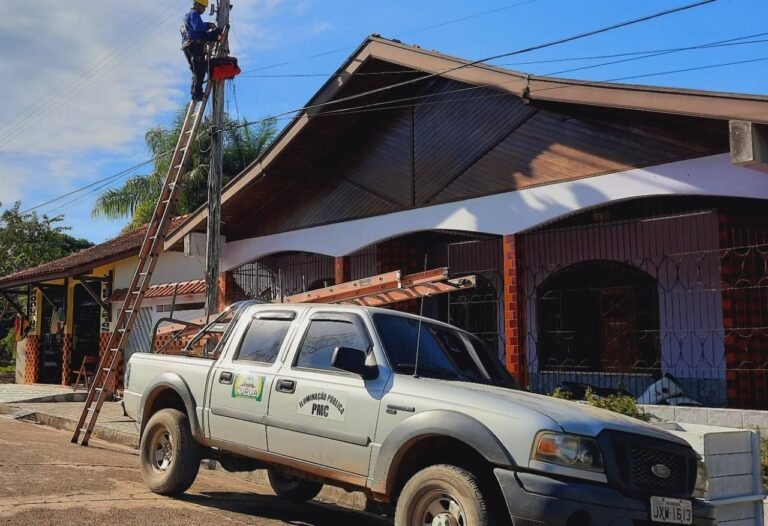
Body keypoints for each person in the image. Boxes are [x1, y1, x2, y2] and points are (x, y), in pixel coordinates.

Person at [181, 0, 221, 101]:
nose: (204, 9)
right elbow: (198, 27)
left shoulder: (187, 16)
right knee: (200, 70)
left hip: (189, 46)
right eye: (203, 7)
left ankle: (195, 92)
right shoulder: (194, 14)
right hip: (194, 46)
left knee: (196, 71)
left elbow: (196, 31)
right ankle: (197, 94)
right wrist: (209, 26)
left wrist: (208, 33)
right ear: (198, 5)